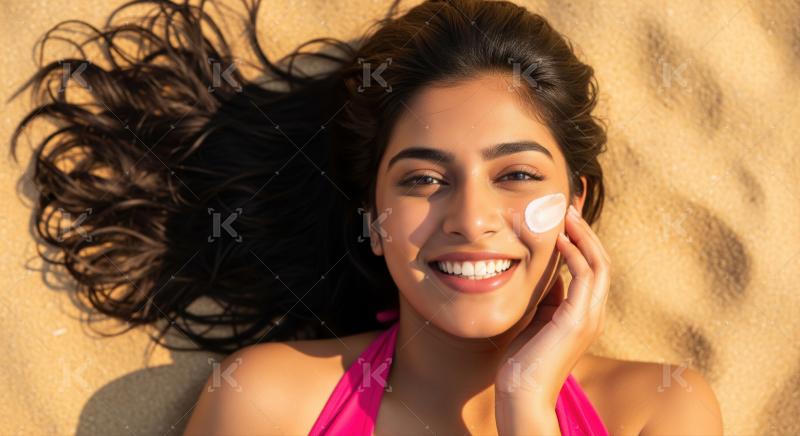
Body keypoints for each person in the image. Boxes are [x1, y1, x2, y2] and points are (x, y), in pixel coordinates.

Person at [11, 0, 723, 433]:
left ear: (577, 203)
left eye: (516, 175)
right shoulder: (268, 403)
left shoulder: (661, 413)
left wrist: (527, 406)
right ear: (373, 218)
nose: (472, 218)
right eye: (422, 178)